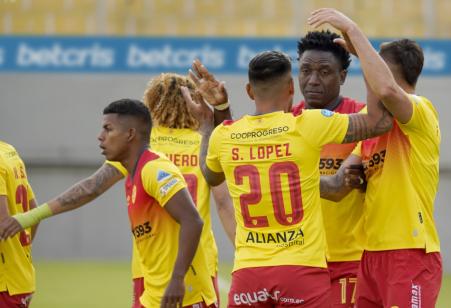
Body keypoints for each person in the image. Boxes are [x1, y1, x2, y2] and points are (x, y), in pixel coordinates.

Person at [182, 49, 392, 307]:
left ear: (249, 91)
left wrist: (209, 120)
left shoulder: (225, 135)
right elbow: (380, 122)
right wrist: (361, 50)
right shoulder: (307, 125)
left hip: (249, 273)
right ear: (292, 87)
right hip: (300, 270)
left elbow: (210, 174)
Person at [0, 99, 216, 308]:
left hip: (185, 295)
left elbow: (193, 220)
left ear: (130, 134)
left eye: (108, 129)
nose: (100, 137)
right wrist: (28, 218)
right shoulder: (133, 172)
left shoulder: (155, 169)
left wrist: (177, 279)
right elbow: (88, 189)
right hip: (153, 294)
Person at [310, 9, 442, 308]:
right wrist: (288, 181)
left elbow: (385, 89)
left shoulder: (421, 111)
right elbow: (335, 188)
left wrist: (352, 30)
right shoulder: (371, 132)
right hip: (370, 256)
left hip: (410, 253)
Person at [127, 66, 235, 308]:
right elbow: (223, 202)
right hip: (200, 259)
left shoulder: (140, 146)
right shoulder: (203, 143)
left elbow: (95, 184)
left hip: (149, 261)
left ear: (152, 104)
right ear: (192, 103)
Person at [292, 30, 366, 307]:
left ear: (343, 76)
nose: (313, 80)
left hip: (348, 260)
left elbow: (338, 189)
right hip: (298, 260)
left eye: (324, 72)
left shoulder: (362, 119)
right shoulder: (286, 122)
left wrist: (283, 180)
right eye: (306, 70)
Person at [0, 140, 38, 307]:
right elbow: (34, 211)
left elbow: (2, 223)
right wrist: (21, 251)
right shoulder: (9, 151)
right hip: (21, 276)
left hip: (4, 284)